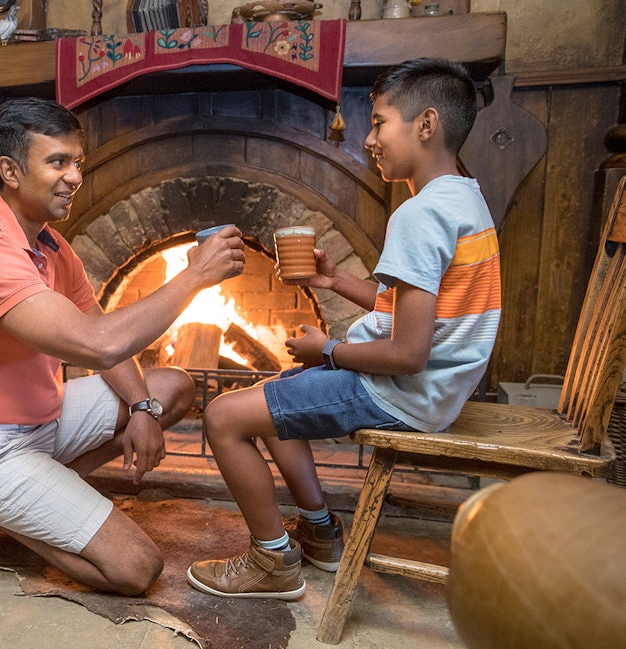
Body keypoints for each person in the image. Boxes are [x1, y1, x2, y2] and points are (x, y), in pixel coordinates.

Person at [186, 57, 501, 599]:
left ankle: (271, 563)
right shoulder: (463, 199)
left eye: (379, 122)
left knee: (222, 415)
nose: (370, 138)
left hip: (401, 392)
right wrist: (335, 282)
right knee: (273, 398)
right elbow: (413, 309)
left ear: (426, 125)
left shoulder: (420, 215)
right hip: (435, 391)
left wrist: (326, 350)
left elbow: (407, 353)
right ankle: (323, 536)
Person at [0, 97, 245, 596]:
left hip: (45, 424)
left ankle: (30, 496)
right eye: (57, 162)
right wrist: (196, 276)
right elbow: (97, 344)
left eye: (78, 162)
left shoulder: (51, 244)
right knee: (136, 568)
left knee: (171, 389)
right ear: (10, 170)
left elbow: (99, 324)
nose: (75, 176)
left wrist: (142, 408)